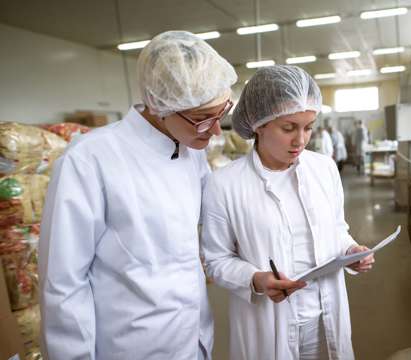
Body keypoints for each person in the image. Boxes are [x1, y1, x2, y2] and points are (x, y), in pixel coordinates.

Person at [38, 31, 237, 360]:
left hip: (193, 336)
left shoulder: (191, 151)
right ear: (161, 106)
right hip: (132, 345)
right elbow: (62, 285)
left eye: (222, 113)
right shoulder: (90, 161)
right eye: (204, 119)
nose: (216, 131)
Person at [201, 65, 374, 360]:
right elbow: (216, 260)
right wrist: (256, 279)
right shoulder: (224, 184)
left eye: (308, 127)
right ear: (259, 125)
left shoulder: (324, 168)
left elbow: (336, 227)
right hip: (271, 323)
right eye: (289, 128)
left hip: (325, 314)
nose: (301, 140)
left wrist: (352, 249)